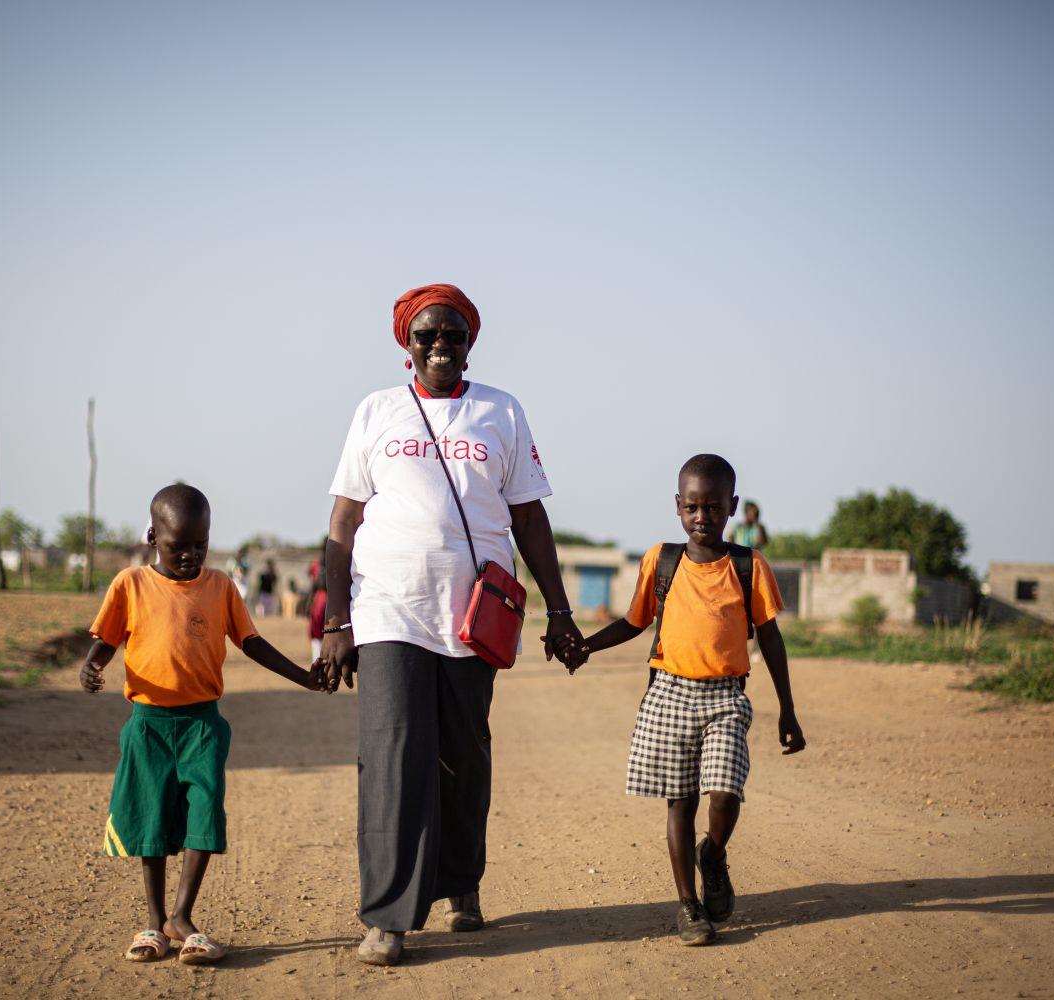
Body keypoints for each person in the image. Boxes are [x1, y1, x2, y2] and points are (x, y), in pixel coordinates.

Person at [320, 282, 584, 966]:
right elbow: (344, 521)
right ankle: (387, 915)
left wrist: (559, 610)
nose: (441, 346)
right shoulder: (377, 411)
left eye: (454, 335)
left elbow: (528, 515)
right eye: (426, 336)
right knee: (393, 756)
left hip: (473, 617)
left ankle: (460, 881)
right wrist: (336, 621)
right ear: (406, 345)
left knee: (464, 754)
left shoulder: (501, 411)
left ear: (471, 341)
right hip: (388, 609)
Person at [80, 484, 326, 965]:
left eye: (201, 544)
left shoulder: (220, 587)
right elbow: (106, 638)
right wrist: (92, 664)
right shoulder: (130, 584)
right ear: (153, 536)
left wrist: (304, 677)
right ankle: (154, 923)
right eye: (178, 546)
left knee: (205, 812)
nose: (191, 555)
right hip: (148, 724)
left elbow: (251, 643)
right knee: (150, 817)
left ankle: (182, 916)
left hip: (202, 724)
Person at [563, 454, 805, 945]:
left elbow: (771, 639)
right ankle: (688, 906)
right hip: (669, 692)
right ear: (678, 506)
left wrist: (788, 709)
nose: (703, 518)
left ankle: (712, 854)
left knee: (725, 792)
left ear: (732, 506)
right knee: (680, 802)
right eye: (693, 507)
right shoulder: (662, 560)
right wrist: (587, 645)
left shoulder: (747, 564)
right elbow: (634, 622)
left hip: (724, 697)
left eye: (714, 508)